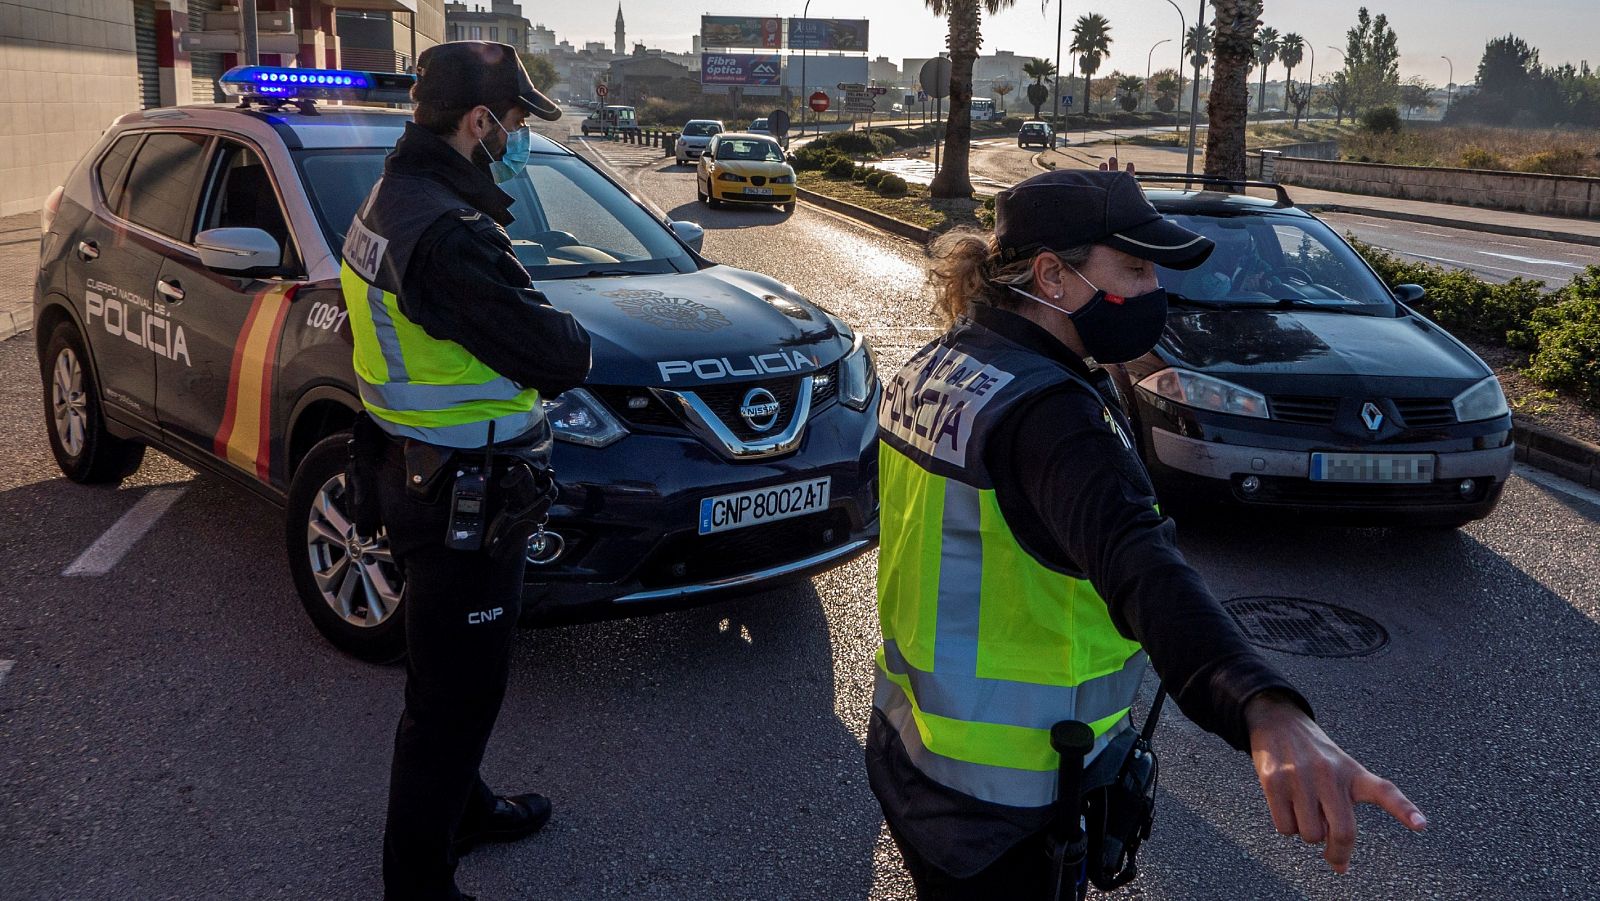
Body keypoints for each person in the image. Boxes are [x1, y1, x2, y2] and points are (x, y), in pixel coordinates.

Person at [867, 169, 1425, 898]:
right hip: (1009, 809)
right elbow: (1141, 563)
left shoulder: (941, 365)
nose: (1153, 286)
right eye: (1133, 266)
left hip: (913, 759)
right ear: (1052, 277)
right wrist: (1264, 706)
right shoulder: (1051, 416)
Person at [338, 41, 592, 900]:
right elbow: (559, 354)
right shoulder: (446, 236)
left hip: (418, 474)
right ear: (479, 123)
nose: (519, 141)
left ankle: (467, 808)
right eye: (516, 124)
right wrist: (558, 320)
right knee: (453, 703)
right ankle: (419, 884)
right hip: (461, 496)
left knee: (448, 683)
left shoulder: (395, 196)